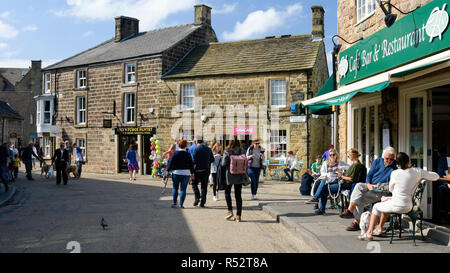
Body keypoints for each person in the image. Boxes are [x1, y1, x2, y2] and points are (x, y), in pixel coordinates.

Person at [358, 152, 439, 240]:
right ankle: (379, 228)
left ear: (398, 164)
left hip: (395, 205)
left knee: (376, 207)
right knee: (386, 202)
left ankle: (369, 232)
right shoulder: (417, 171)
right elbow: (436, 176)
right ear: (408, 162)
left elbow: (390, 190)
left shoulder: (395, 173)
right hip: (408, 206)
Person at [340, 146, 397, 232]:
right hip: (370, 185)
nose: (389, 161)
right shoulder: (378, 161)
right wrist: (369, 184)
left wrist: (380, 186)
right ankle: (350, 210)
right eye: (387, 159)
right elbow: (369, 175)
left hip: (381, 190)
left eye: (391, 159)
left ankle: (357, 222)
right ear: (383, 157)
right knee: (358, 185)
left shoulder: (395, 167)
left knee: (360, 198)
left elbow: (392, 184)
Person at [313, 148, 364, 215]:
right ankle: (318, 203)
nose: (332, 156)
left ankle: (318, 203)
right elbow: (323, 173)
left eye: (333, 155)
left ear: (336, 155)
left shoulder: (349, 164)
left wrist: (341, 173)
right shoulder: (326, 163)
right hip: (332, 180)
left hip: (341, 182)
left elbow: (350, 175)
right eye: (330, 155)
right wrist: (330, 174)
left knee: (324, 189)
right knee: (323, 183)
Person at [222, 137, 247, 222]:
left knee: (227, 192)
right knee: (238, 195)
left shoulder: (227, 151)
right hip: (239, 175)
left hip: (229, 175)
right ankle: (239, 215)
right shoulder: (242, 151)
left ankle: (229, 211)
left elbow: (223, 164)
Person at [166, 139, 195, 208]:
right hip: (186, 174)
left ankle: (174, 203)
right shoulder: (188, 154)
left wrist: (167, 171)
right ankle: (181, 205)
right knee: (183, 189)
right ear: (186, 145)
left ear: (178, 145)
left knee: (175, 188)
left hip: (176, 173)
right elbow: (191, 164)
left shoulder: (175, 153)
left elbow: (170, 163)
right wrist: (192, 173)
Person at [192, 137, 214, 207]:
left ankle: (197, 197)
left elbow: (194, 162)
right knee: (204, 186)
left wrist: (192, 171)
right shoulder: (208, 149)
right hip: (206, 170)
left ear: (196, 141)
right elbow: (212, 159)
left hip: (197, 170)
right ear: (203, 141)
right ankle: (203, 202)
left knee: (194, 184)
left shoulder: (196, 149)